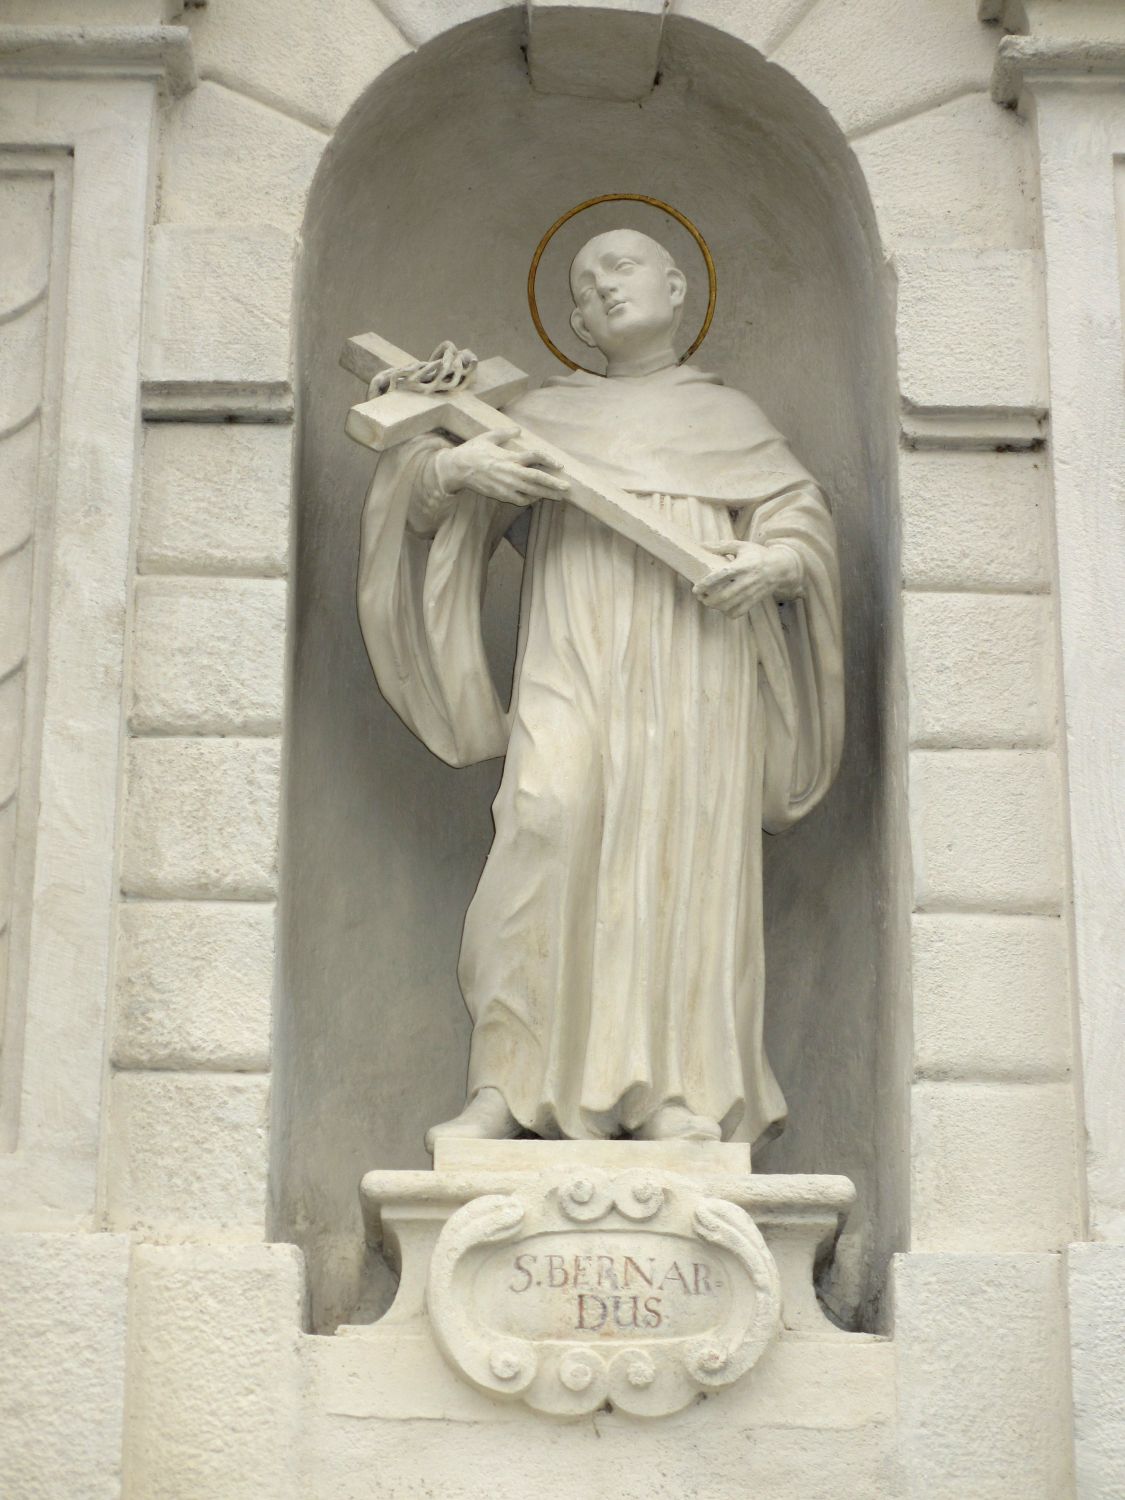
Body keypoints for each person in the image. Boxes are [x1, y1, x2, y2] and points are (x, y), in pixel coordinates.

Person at [357, 228, 844, 1149]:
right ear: (572, 320)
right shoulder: (538, 414)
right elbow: (426, 497)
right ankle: (504, 1082)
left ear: (676, 284)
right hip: (572, 650)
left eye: (620, 267)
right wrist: (462, 467)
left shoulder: (730, 419)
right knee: (546, 817)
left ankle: (668, 1090)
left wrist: (774, 563)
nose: (602, 289)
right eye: (584, 285)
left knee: (672, 854)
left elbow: (799, 525)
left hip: (692, 660)